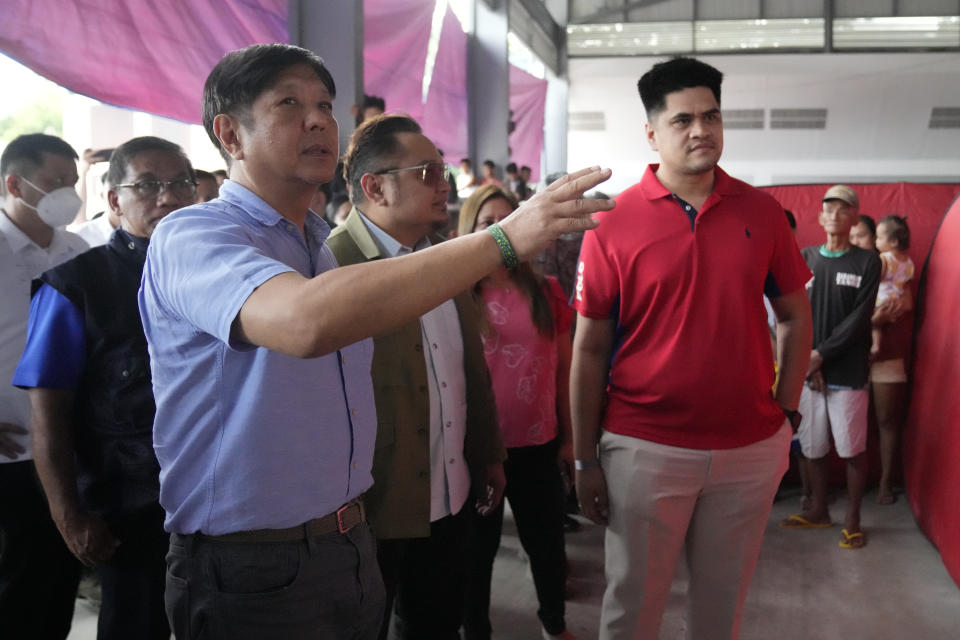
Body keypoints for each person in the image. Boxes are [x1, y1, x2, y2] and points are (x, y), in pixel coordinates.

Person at [138, 43, 612, 640]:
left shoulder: (315, 244)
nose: (317, 120)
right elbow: (302, 323)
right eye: (289, 103)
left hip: (348, 536)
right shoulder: (194, 235)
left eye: (325, 105)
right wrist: (503, 239)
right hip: (252, 559)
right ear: (229, 134)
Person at [571, 57, 812, 640]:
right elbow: (588, 348)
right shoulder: (612, 221)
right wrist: (583, 458)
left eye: (712, 116)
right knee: (633, 609)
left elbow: (795, 317)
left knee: (720, 611)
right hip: (643, 447)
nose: (701, 130)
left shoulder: (762, 213)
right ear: (652, 133)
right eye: (683, 120)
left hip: (749, 449)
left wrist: (785, 413)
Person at [328, 114, 505, 639]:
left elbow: (469, 370)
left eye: (443, 170)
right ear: (374, 186)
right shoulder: (330, 268)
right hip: (370, 510)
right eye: (427, 172)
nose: (444, 185)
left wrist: (488, 450)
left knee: (435, 624)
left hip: (448, 495)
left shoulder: (445, 262)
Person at [13, 136, 196, 640]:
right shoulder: (75, 285)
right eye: (148, 185)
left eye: (181, 182)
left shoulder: (213, 276)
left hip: (212, 501)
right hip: (129, 509)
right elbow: (48, 410)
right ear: (115, 201)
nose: (169, 196)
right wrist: (69, 514)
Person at [458, 185, 577, 640]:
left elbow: (563, 371)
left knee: (546, 545)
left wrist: (569, 440)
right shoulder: (456, 295)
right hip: (476, 450)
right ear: (470, 228)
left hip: (538, 444)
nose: (500, 230)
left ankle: (554, 625)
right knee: (477, 556)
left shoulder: (546, 291)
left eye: (509, 220)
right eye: (488, 222)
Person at [0, 133, 89, 640]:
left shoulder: (76, 251)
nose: (69, 195)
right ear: (16, 183)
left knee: (58, 575)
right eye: (56, 182)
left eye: (73, 184)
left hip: (64, 448)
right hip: (8, 448)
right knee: (14, 578)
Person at [781, 184, 881, 551]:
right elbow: (792, 313)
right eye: (829, 209)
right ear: (820, 217)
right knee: (814, 448)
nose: (836, 215)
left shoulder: (868, 261)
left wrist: (818, 357)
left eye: (844, 209)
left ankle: (853, 521)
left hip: (848, 374)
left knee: (852, 449)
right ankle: (819, 510)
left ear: (855, 216)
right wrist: (809, 362)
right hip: (809, 374)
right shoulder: (805, 257)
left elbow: (858, 320)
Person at [871, 215, 915, 504]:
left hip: (888, 357)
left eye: (874, 237)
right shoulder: (905, 263)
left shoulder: (883, 262)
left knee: (887, 420)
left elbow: (908, 302)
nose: (872, 244)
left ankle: (885, 482)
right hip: (851, 353)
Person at [871, 215, 914, 359]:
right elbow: (906, 279)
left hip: (881, 298)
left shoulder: (885, 258)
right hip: (896, 300)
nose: (876, 241)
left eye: (879, 238)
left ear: (894, 241)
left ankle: (876, 344)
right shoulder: (908, 262)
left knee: (876, 325)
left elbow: (878, 278)